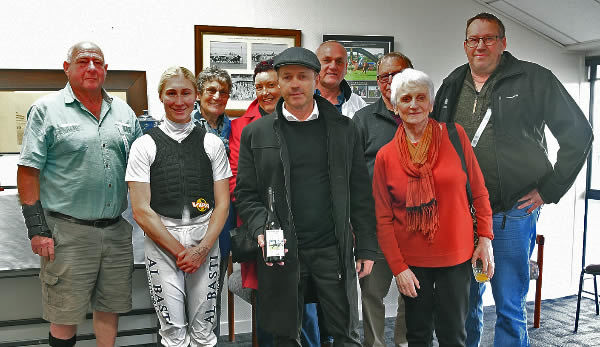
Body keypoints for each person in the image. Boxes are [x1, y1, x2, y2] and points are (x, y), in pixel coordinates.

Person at [431, 12, 594, 347]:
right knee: (464, 306)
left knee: (508, 307)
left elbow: (579, 135)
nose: (481, 45)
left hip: (512, 213)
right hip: (463, 217)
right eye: (474, 39)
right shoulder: (451, 84)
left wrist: (548, 189)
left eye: (489, 38)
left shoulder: (534, 79)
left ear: (503, 43)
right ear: (465, 45)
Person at [235, 47, 377, 347]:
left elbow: (361, 193)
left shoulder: (344, 129)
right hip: (283, 250)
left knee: (345, 332)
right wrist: (262, 229)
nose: (295, 84)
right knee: (286, 334)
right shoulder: (257, 133)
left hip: (332, 248)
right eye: (287, 77)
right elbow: (246, 194)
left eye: (302, 76)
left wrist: (366, 246)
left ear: (316, 79)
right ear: (279, 83)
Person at [17, 41, 141, 346]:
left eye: (97, 62)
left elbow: (141, 168)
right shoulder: (46, 110)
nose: (91, 68)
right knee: (65, 313)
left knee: (110, 308)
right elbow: (28, 172)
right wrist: (37, 229)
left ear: (106, 69)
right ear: (67, 68)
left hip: (115, 230)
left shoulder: (124, 112)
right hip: (67, 233)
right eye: (83, 61)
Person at [373, 68, 494, 346]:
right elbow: (382, 218)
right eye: (406, 99)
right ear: (394, 104)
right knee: (417, 336)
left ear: (430, 102)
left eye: (420, 97)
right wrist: (398, 268)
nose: (413, 105)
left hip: (458, 258)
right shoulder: (385, 157)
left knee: (454, 335)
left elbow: (479, 191)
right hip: (412, 264)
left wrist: (485, 239)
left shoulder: (455, 136)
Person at [127, 66, 231, 346]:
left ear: (196, 95)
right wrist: (182, 252)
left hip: (205, 239)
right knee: (173, 331)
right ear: (160, 96)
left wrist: (201, 250)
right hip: (163, 241)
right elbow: (140, 209)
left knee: (203, 329)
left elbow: (222, 204)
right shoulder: (144, 145)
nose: (179, 100)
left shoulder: (212, 143)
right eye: (171, 93)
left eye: (186, 93)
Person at [353, 51, 413, 347]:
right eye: (383, 76)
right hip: (375, 227)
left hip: (415, 227)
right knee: (372, 295)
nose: (390, 81)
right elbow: (351, 177)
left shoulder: (425, 119)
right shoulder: (362, 120)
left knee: (412, 293)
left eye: (397, 73)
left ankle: (403, 343)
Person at [192, 65, 235, 336]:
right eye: (211, 90)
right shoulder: (184, 124)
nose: (217, 96)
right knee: (186, 287)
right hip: (191, 214)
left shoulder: (234, 127)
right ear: (198, 94)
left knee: (213, 286)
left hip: (224, 216)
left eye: (224, 92)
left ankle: (210, 339)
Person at [315, 41, 367, 119]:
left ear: (345, 68)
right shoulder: (298, 101)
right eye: (327, 60)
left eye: (339, 62)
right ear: (315, 64)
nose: (333, 66)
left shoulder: (360, 105)